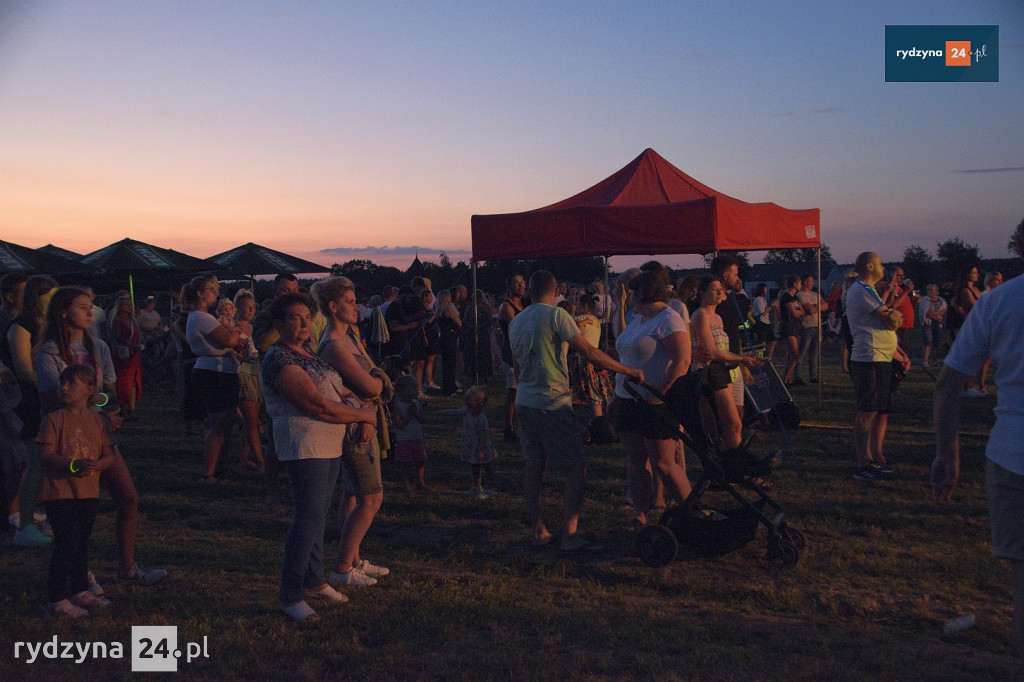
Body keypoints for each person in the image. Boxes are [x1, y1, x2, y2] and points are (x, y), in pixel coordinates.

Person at [34, 286, 166, 586]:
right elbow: (50, 402)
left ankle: (127, 566)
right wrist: (91, 409)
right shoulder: (50, 353)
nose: (89, 312)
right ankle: (78, 575)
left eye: (90, 306)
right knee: (75, 513)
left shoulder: (98, 348)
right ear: (62, 311)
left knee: (128, 497)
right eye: (82, 306)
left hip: (98, 435)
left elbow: (105, 392)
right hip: (67, 441)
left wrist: (104, 411)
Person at [932, 229, 1024, 656]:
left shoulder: (998, 302)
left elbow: (949, 383)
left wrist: (947, 453)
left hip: (1012, 457)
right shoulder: (995, 300)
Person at [259, 292, 377, 622]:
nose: (302, 324)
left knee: (318, 515)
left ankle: (314, 580)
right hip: (304, 443)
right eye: (294, 318)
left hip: (328, 442)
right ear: (278, 323)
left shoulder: (306, 353)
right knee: (307, 518)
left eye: (306, 318)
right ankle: (290, 594)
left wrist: (357, 405)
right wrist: (363, 416)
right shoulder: (280, 359)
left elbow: (336, 389)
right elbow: (315, 404)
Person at [508, 270, 642, 552]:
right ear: (555, 289)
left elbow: (517, 366)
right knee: (577, 466)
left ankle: (538, 530)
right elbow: (589, 352)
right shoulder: (558, 316)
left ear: (530, 290)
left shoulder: (517, 320)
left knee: (534, 467)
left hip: (524, 400)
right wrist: (627, 370)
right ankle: (569, 535)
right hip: (551, 402)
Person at [316, 277, 393, 589]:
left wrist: (375, 381)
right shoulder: (334, 345)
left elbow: (373, 377)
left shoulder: (350, 338)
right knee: (371, 497)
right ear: (333, 308)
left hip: (364, 415)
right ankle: (341, 567)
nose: (356, 306)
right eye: (349, 301)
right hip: (356, 424)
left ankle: (354, 559)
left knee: (352, 493)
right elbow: (373, 384)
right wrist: (378, 382)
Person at [610, 272, 692, 529]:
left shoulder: (669, 319)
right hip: (628, 399)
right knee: (636, 459)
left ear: (643, 291)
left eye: (631, 292)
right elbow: (626, 351)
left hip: (655, 402)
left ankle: (694, 513)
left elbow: (682, 362)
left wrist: (660, 396)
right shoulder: (638, 316)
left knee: (664, 463)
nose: (628, 297)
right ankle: (641, 512)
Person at [37, 365, 116, 618]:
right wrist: (73, 465)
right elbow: (46, 455)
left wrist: (99, 465)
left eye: (72, 383)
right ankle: (57, 598)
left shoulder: (97, 421)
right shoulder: (53, 419)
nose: (64, 387)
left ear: (89, 389)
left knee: (81, 542)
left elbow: (109, 454)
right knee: (66, 543)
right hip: (60, 493)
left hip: (88, 492)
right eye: (63, 382)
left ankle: (80, 589)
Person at [846, 251, 911, 481]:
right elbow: (891, 319)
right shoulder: (861, 290)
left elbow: (887, 320)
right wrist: (893, 315)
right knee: (868, 410)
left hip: (881, 357)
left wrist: (898, 353)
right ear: (870, 266)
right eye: (881, 264)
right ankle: (862, 462)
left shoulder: (869, 290)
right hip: (868, 358)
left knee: (881, 409)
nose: (884, 267)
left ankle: (875, 457)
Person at [3, 275, 58, 546]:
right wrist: (54, 388)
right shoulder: (21, 327)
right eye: (49, 299)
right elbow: (23, 370)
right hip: (30, 400)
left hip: (47, 398)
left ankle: (39, 517)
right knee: (35, 462)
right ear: (35, 299)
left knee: (48, 462)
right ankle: (24, 526)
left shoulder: (46, 326)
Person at [690, 277, 762, 450]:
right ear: (702, 293)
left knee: (732, 425)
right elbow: (711, 352)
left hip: (721, 370)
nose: (719, 292)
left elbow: (722, 349)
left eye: (720, 289)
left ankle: (731, 464)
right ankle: (732, 465)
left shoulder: (718, 318)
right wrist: (741, 359)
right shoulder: (701, 315)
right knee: (730, 425)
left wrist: (743, 357)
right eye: (714, 289)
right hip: (708, 372)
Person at [184, 276, 243, 483]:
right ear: (200, 293)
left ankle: (218, 467)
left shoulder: (200, 317)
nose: (215, 294)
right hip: (214, 372)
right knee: (218, 424)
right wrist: (235, 331)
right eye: (211, 290)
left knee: (225, 424)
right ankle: (209, 471)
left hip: (218, 370)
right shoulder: (202, 318)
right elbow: (229, 340)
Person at [438, 386, 496, 498]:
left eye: (472, 406)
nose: (469, 408)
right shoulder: (467, 412)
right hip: (471, 447)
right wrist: (441, 412)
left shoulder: (481, 419)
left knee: (487, 468)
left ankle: (490, 489)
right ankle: (476, 487)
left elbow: (484, 435)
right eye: (468, 406)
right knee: (474, 467)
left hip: (481, 448)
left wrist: (481, 449)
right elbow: (455, 412)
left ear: (481, 405)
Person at [233, 290, 264, 471]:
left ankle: (243, 456)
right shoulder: (232, 327)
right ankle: (261, 461)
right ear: (238, 307)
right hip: (243, 372)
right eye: (247, 306)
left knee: (251, 419)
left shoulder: (252, 328)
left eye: (253, 306)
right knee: (251, 420)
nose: (251, 309)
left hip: (255, 372)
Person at [569, 295, 614, 420]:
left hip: (582, 358)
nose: (576, 307)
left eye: (578, 304)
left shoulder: (579, 318)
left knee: (584, 387)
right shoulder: (596, 320)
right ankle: (598, 419)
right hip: (595, 357)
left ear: (584, 306)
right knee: (595, 389)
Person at [498, 274, 526, 441]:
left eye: (522, 283)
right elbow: (518, 329)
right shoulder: (506, 307)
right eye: (516, 283)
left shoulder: (524, 303)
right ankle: (508, 427)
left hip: (523, 352)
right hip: (511, 353)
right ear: (509, 286)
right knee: (513, 391)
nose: (520, 286)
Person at [391, 374, 428, 493]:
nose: (415, 391)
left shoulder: (416, 403)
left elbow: (422, 418)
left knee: (420, 461)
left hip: (417, 437)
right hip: (404, 439)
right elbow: (398, 424)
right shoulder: (398, 406)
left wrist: (417, 413)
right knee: (405, 463)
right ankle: (407, 485)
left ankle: (420, 482)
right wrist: (409, 415)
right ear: (402, 391)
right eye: (411, 388)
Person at [109, 296, 143, 421]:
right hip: (124, 354)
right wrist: (130, 345)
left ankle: (132, 408)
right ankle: (123, 408)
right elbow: (117, 336)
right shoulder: (117, 320)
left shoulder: (133, 321)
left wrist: (137, 345)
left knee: (134, 381)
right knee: (124, 381)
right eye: (126, 305)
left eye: (130, 305)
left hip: (134, 354)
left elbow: (138, 335)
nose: (129, 307)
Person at [795, 275, 827, 385]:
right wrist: (816, 307)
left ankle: (813, 376)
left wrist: (815, 306)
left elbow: (826, 305)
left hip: (817, 325)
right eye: (811, 281)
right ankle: (797, 376)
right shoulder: (800, 295)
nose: (813, 283)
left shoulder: (815, 294)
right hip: (807, 326)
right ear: (805, 282)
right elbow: (809, 309)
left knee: (814, 353)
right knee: (802, 352)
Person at [778, 275, 804, 387]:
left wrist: (798, 312)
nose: (801, 286)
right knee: (795, 355)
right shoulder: (786, 297)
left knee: (792, 355)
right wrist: (798, 312)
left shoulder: (795, 298)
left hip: (795, 326)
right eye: (800, 283)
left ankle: (788, 379)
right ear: (795, 284)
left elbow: (801, 311)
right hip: (788, 326)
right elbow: (795, 313)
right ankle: (785, 380)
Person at [435, 289, 462, 396]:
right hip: (450, 337)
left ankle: (448, 386)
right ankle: (449, 388)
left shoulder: (438, 310)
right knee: (451, 363)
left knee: (446, 364)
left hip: (444, 336)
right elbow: (459, 323)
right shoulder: (448, 310)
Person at [919, 284, 947, 368]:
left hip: (938, 324)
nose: (929, 292)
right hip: (928, 324)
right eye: (928, 290)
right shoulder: (925, 300)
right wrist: (936, 316)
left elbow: (943, 311)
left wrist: (934, 313)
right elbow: (926, 312)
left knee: (936, 342)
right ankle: (925, 360)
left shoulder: (941, 301)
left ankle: (933, 359)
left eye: (931, 290)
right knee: (928, 341)